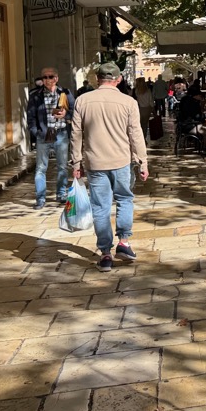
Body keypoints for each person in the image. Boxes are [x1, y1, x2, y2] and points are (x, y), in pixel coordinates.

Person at [70, 61, 148, 273]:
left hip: (95, 162)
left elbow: (76, 135)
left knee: (100, 206)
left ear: (97, 79)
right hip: (121, 161)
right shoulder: (128, 102)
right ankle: (124, 242)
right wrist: (143, 161)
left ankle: (105, 253)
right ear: (119, 79)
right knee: (124, 199)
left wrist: (76, 162)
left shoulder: (82, 100)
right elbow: (136, 134)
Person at [26, 67, 74, 209]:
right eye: (44, 77)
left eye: (50, 76)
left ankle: (61, 194)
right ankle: (40, 198)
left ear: (56, 78)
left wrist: (65, 115)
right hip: (43, 135)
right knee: (41, 168)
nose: (47, 80)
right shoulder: (35, 95)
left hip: (60, 133)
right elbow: (30, 117)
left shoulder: (65, 93)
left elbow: (75, 112)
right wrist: (36, 132)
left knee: (62, 166)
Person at [177, 83, 206, 157]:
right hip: (190, 125)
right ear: (196, 95)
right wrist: (204, 118)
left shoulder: (184, 100)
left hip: (184, 125)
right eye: (200, 96)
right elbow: (197, 116)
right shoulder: (193, 103)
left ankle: (205, 147)